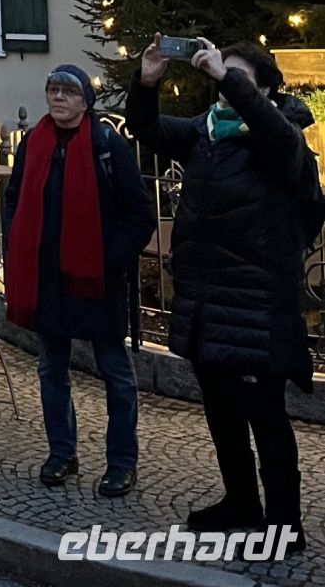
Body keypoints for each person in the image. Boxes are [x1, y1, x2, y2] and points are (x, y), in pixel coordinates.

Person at [127, 36, 320, 545]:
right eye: (217, 76)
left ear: (262, 86)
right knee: (221, 411)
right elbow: (146, 129)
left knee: (267, 417)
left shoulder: (282, 134)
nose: (221, 85)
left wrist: (226, 75)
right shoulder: (206, 132)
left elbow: (279, 143)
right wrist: (147, 81)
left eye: (235, 77)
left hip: (257, 302)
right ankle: (240, 500)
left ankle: (284, 523)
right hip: (208, 298)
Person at [2, 65, 155, 497]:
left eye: (67, 92)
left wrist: (110, 258)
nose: (57, 98)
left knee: (116, 374)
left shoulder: (108, 145)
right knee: (52, 368)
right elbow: (14, 198)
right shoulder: (34, 143)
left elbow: (139, 213)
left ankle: (122, 462)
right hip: (48, 280)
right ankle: (61, 453)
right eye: (52, 90)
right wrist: (16, 239)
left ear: (85, 100)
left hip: (96, 281)